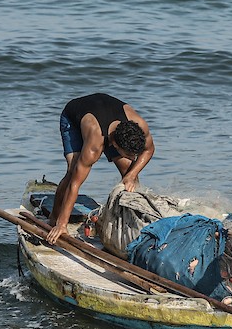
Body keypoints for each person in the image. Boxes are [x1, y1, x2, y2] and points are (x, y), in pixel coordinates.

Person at [46, 93, 154, 244]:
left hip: (106, 110)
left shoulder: (139, 125)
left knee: (130, 172)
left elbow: (149, 150)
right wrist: (62, 225)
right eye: (128, 154)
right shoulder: (94, 145)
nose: (132, 157)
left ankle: (131, 221)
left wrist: (130, 176)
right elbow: (75, 183)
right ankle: (54, 220)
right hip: (74, 119)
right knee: (72, 172)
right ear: (115, 146)